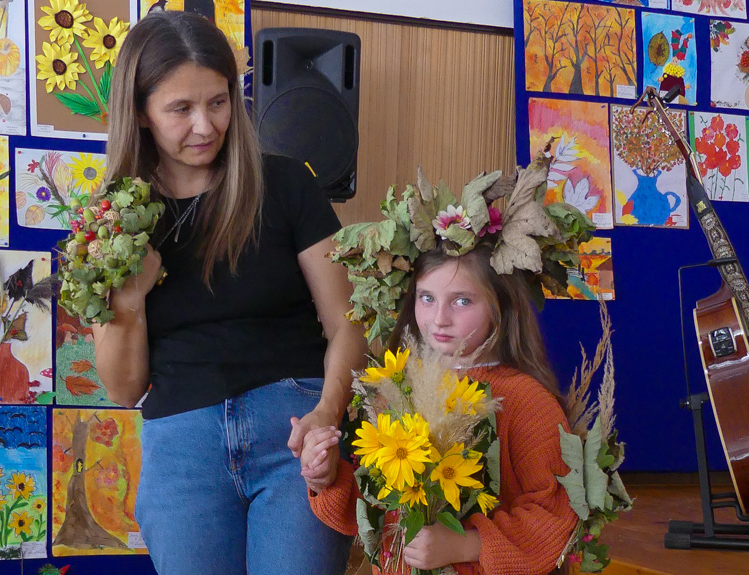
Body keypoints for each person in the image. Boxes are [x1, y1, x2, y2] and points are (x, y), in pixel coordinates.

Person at [94, 11, 366, 575]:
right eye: (180, 109)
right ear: (141, 114)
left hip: (292, 435)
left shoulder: (287, 183)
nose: (205, 126)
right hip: (182, 451)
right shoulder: (114, 223)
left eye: (217, 102)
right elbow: (124, 389)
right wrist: (131, 299)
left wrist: (326, 412)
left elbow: (349, 322)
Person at [301, 243, 578, 575]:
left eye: (462, 301)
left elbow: (555, 515)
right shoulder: (396, 390)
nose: (439, 319)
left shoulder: (527, 400)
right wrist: (326, 478)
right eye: (427, 298)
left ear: (499, 304)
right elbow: (377, 509)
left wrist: (465, 545)